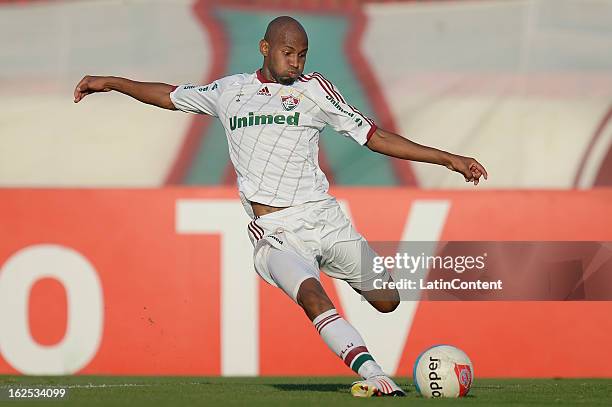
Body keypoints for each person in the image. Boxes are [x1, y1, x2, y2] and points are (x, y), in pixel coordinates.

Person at [74, 16, 487, 397]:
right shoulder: (228, 91)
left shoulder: (315, 90)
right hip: (276, 231)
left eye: (302, 54)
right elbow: (169, 95)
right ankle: (374, 374)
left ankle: (334, 273)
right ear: (264, 47)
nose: (295, 61)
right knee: (311, 294)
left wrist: (448, 158)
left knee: (388, 299)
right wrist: (111, 82)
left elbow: (373, 136)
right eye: (288, 52)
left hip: (325, 219)